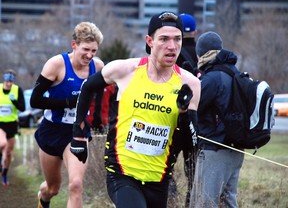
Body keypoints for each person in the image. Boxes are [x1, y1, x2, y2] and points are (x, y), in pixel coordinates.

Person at [70, 11, 201, 208]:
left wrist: (183, 114)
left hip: (159, 177)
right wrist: (78, 134)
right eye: (164, 39)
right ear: (149, 41)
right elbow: (87, 87)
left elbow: (191, 143)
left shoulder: (190, 83)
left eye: (177, 39)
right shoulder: (125, 70)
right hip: (122, 172)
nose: (172, 46)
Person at [30, 21, 104, 208]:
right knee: (53, 189)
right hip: (52, 131)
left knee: (76, 185)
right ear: (74, 45)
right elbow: (35, 101)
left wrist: (96, 118)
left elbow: (101, 93)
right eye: (85, 49)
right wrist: (67, 103)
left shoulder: (98, 67)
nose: (89, 55)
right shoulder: (56, 65)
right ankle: (43, 198)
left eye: (94, 51)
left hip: (77, 132)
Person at [190, 31, 245, 208]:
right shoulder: (233, 72)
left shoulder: (212, 78)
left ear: (202, 53)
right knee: (227, 202)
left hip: (215, 149)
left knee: (204, 202)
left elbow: (193, 105)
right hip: (235, 149)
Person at [169, 13, 199, 208]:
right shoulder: (202, 53)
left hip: (172, 119)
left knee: (165, 167)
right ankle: (191, 203)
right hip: (195, 122)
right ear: (195, 32)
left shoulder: (171, 53)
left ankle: (168, 201)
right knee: (193, 172)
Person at [0, 69, 25, 187]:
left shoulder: (17, 90)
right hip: (0, 124)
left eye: (11, 81)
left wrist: (14, 101)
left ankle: (4, 173)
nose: (9, 83)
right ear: (4, 79)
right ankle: (0, 159)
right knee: (2, 143)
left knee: (9, 153)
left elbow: (23, 108)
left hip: (12, 124)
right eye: (7, 81)